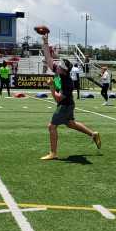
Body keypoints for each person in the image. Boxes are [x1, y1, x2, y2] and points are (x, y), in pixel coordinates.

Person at [38, 26, 100, 161]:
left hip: (65, 105)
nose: (57, 66)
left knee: (51, 126)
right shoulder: (60, 72)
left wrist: (51, 86)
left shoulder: (68, 83)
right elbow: (48, 59)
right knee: (71, 124)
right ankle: (93, 134)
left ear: (64, 71)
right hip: (68, 104)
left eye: (60, 67)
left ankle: (53, 153)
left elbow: (58, 100)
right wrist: (45, 42)